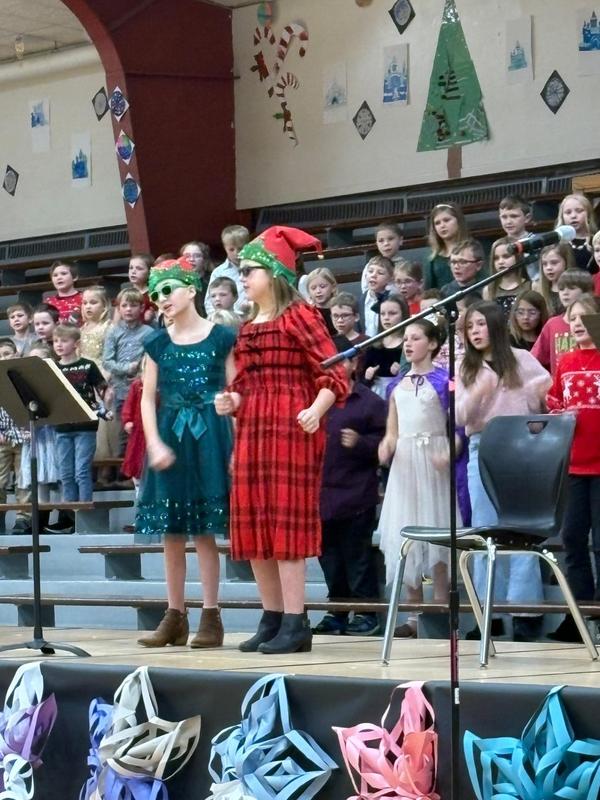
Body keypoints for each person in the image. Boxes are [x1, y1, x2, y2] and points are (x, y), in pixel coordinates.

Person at [215, 225, 347, 655]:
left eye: (250, 270)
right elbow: (247, 382)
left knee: (287, 528)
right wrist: (232, 400)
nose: (244, 278)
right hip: (254, 428)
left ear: (274, 274)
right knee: (255, 525)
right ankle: (271, 618)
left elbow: (333, 373)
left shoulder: (301, 316)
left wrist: (316, 409)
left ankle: (296, 620)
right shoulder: (249, 325)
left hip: (291, 427)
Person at [136, 258, 236, 649]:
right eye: (156, 293)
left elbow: (235, 390)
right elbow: (147, 399)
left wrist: (238, 443)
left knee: (204, 531)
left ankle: (211, 616)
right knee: (171, 532)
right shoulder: (157, 343)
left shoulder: (221, 337)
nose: (162, 299)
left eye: (168, 290)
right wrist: (154, 443)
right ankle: (174, 614)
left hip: (211, 434)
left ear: (192, 290)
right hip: (170, 434)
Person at [456, 301, 552, 641]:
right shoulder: (467, 367)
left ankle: (527, 612)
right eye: (469, 327)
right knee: (485, 532)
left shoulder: (521, 359)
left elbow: (547, 395)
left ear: (495, 326)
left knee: (520, 529)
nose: (475, 332)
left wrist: (536, 410)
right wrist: (481, 388)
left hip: (521, 448)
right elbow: (459, 417)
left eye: (480, 324)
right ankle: (488, 613)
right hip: (482, 448)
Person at [378, 318, 463, 638]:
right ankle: (412, 614)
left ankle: (441, 608)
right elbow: (391, 431)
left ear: (432, 343)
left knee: (438, 528)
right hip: (405, 460)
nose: (408, 344)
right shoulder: (396, 384)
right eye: (406, 339)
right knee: (405, 531)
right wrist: (385, 447)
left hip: (433, 456)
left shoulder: (445, 381)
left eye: (416, 338)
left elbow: (455, 428)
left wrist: (450, 451)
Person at [314, 336, 386, 637]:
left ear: (354, 363)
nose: (335, 365)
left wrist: (362, 444)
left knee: (357, 556)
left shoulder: (370, 402)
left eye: (340, 359)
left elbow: (385, 444)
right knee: (328, 557)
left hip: (356, 494)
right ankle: (337, 610)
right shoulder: (314, 399)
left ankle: (367, 612)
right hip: (321, 494)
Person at [546, 294, 600, 642]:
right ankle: (580, 615)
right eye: (572, 318)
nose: (577, 323)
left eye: (585, 317)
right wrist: (558, 415)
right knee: (573, 540)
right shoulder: (565, 361)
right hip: (575, 465)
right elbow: (553, 401)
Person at [53, 324, 107, 506]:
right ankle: (69, 512)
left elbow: (102, 387)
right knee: (65, 472)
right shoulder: (52, 368)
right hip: (62, 426)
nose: (59, 345)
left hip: (86, 425)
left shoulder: (87, 365)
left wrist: (107, 397)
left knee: (81, 471)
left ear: (76, 344)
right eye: (56, 341)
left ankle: (84, 509)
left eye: (64, 341)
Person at [102, 288, 153, 454]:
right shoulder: (113, 332)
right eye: (124, 305)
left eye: (133, 305)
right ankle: (122, 470)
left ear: (141, 308)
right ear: (119, 309)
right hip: (120, 388)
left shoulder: (149, 332)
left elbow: (152, 358)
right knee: (122, 429)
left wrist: (140, 373)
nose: (129, 309)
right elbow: (107, 361)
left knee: (141, 426)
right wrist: (126, 368)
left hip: (141, 388)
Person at [531, 270, 594, 375]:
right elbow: (533, 359)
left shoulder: (595, 321)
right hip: (561, 387)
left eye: (571, 288)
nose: (565, 292)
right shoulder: (552, 324)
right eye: (561, 289)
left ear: (586, 291)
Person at [0, 344, 30, 534]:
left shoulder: (24, 378)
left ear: (16, 354)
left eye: (6, 354)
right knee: (0, 480)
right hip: (2, 437)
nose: (3, 358)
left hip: (23, 437)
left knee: (23, 480)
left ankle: (23, 518)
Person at [363, 294, 408, 398]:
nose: (386, 318)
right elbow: (363, 379)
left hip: (400, 394)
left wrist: (402, 372)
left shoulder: (408, 343)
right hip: (377, 394)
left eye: (392, 313)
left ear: (403, 314)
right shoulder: (374, 344)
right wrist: (367, 375)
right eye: (382, 314)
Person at [204, 224, 250, 315]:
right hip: (229, 320)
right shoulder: (219, 273)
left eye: (240, 249)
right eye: (231, 249)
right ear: (225, 248)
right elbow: (209, 302)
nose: (237, 253)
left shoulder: (257, 269)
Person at [423, 203, 469, 290]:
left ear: (458, 221)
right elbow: (429, 290)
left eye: (446, 220)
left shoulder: (472, 249)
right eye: (437, 223)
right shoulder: (432, 257)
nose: (442, 226)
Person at [483, 237, 531, 317]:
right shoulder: (489, 290)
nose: (500, 262)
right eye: (496, 258)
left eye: (506, 256)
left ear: (518, 257)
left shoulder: (530, 286)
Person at [555, 193, 597, 273]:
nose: (573, 216)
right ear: (562, 217)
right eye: (568, 212)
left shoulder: (596, 241)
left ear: (588, 214)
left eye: (579, 211)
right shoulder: (557, 244)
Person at [498, 195, 537, 280]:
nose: (508, 221)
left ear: (527, 218)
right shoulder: (499, 246)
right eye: (504, 217)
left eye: (514, 216)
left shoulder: (536, 242)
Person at [532, 243, 576, 317]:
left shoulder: (577, 287)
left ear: (566, 262)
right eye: (544, 264)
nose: (548, 268)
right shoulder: (537, 287)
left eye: (554, 263)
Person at [360, 222, 404, 292]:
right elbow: (365, 291)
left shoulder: (405, 267)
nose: (386, 243)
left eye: (390, 239)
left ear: (401, 240)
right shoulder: (370, 266)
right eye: (381, 241)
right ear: (376, 244)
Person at [358, 255, 394, 336]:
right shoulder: (361, 300)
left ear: (390, 278)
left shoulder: (392, 300)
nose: (373, 275)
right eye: (370, 271)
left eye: (380, 273)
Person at [306, 266, 338, 336]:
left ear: (333, 287)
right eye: (313, 288)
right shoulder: (308, 313)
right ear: (308, 291)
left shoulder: (339, 310)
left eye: (322, 286)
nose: (318, 291)